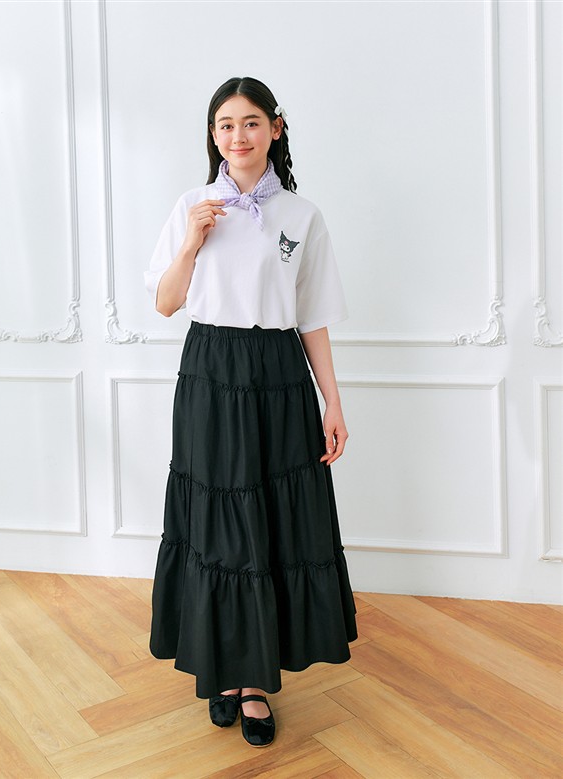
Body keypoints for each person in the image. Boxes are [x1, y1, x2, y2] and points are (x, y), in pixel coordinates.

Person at [144, 76, 358, 748]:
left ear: (275, 128)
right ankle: (225, 671)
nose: (238, 136)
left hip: (278, 374)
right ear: (213, 136)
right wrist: (191, 242)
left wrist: (332, 400)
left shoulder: (302, 215)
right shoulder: (191, 205)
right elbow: (165, 303)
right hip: (211, 372)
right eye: (225, 125)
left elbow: (313, 316)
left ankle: (256, 682)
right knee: (219, 522)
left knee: (270, 519)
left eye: (251, 122)